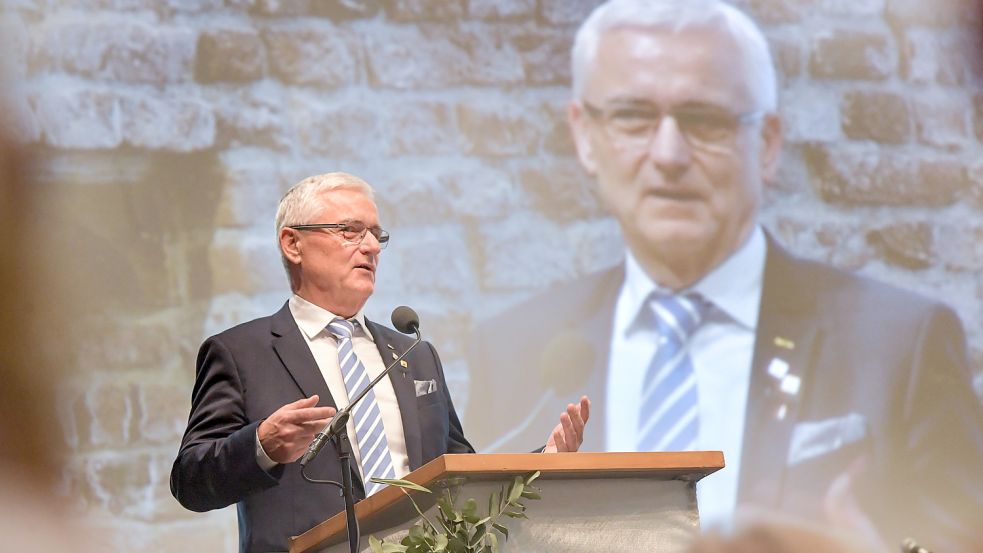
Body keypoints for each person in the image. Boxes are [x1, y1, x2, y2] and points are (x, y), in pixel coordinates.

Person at [464, 0, 983, 551]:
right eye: (634, 117)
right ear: (585, 135)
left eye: (703, 120)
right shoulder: (515, 352)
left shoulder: (902, 343)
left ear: (767, 143)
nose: (668, 154)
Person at [170, 172, 589, 553]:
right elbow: (191, 482)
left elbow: (458, 477)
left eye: (375, 234)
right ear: (292, 244)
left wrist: (540, 464)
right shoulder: (242, 352)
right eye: (349, 231)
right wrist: (260, 446)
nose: (370, 246)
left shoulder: (413, 354)